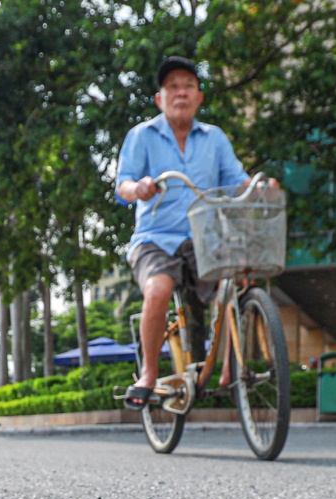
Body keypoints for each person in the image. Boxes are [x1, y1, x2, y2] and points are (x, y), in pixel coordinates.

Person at [114, 57, 269, 407]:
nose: (180, 92)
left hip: (206, 239)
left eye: (187, 86)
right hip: (156, 239)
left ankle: (231, 369)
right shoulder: (142, 135)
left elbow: (237, 180)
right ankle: (149, 373)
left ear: (199, 96)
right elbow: (122, 185)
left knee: (233, 286)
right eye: (172, 87)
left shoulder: (214, 139)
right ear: (159, 98)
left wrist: (261, 188)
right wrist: (138, 188)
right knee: (158, 289)